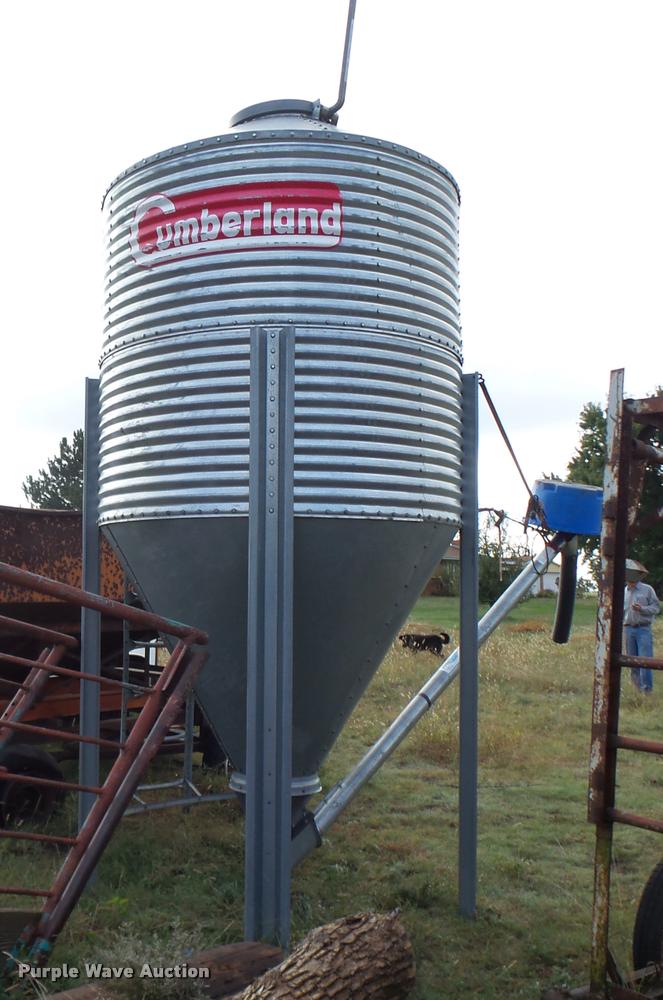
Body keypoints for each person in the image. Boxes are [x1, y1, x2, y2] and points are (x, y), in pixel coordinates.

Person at [624, 559, 660, 693]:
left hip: (643, 629)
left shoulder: (647, 589)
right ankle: (636, 690)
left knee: (645, 660)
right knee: (631, 661)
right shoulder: (624, 592)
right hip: (628, 629)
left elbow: (656, 608)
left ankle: (647, 691)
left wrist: (642, 609)